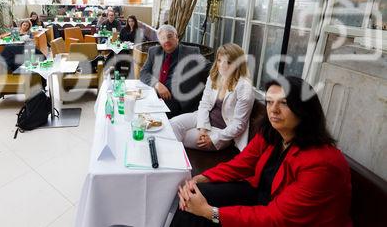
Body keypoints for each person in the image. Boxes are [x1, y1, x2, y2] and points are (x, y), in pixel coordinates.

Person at [171, 76, 352, 227]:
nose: (273, 110)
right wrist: (200, 178)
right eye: (269, 102)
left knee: (201, 213)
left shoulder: (322, 163)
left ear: (304, 110)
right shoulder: (273, 134)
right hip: (262, 197)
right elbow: (241, 164)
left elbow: (278, 218)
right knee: (194, 195)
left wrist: (210, 212)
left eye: (284, 103)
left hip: (288, 220)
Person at [171, 43, 254, 151]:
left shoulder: (244, 87)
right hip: (204, 119)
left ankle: (176, 164)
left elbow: (239, 124)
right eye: (219, 60)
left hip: (221, 131)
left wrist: (213, 139)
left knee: (183, 136)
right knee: (172, 125)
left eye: (228, 62)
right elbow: (205, 103)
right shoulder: (215, 76)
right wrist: (202, 128)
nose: (222, 65)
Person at [139, 24, 209, 118]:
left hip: (178, 100)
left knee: (154, 117)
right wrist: (157, 84)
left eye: (170, 36)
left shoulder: (190, 52)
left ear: (177, 37)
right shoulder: (154, 52)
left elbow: (209, 67)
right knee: (139, 110)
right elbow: (144, 72)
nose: (166, 40)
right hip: (156, 94)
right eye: (162, 38)